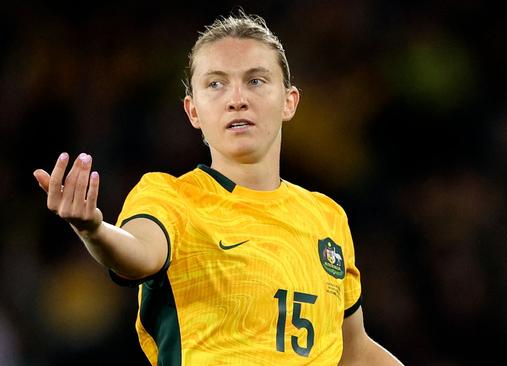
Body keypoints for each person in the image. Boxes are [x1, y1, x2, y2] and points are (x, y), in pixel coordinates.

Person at [33, 10, 403, 365]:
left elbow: (354, 350)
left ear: (289, 102)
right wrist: (94, 230)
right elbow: (138, 253)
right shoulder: (170, 198)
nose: (237, 98)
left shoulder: (326, 217)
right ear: (193, 111)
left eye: (256, 80)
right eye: (216, 84)